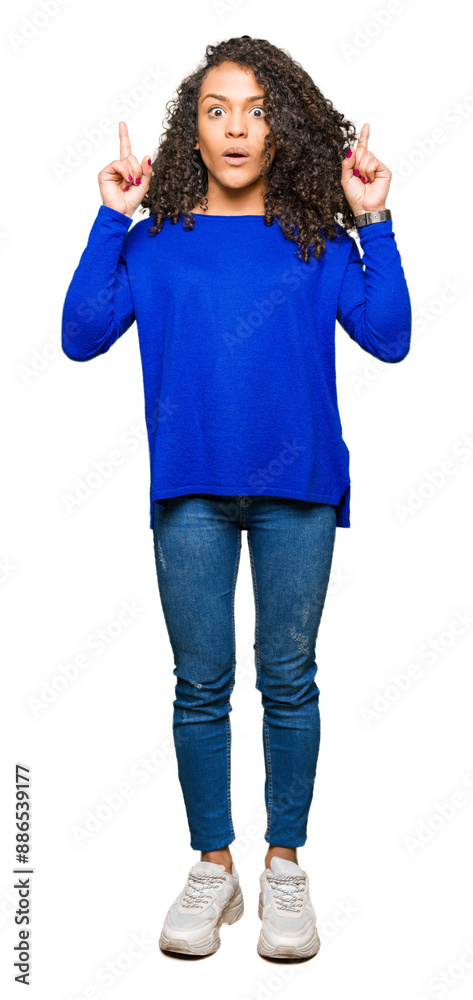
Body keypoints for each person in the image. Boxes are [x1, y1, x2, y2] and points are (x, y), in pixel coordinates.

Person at [61, 35, 411, 960]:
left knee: (288, 680)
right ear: (192, 129)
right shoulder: (154, 243)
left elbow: (389, 337)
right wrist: (110, 218)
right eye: (216, 110)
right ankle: (212, 865)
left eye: (256, 111)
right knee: (200, 684)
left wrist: (373, 220)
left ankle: (283, 865)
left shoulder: (318, 242)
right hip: (190, 492)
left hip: (299, 489)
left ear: (282, 126)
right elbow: (81, 334)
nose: (236, 129)